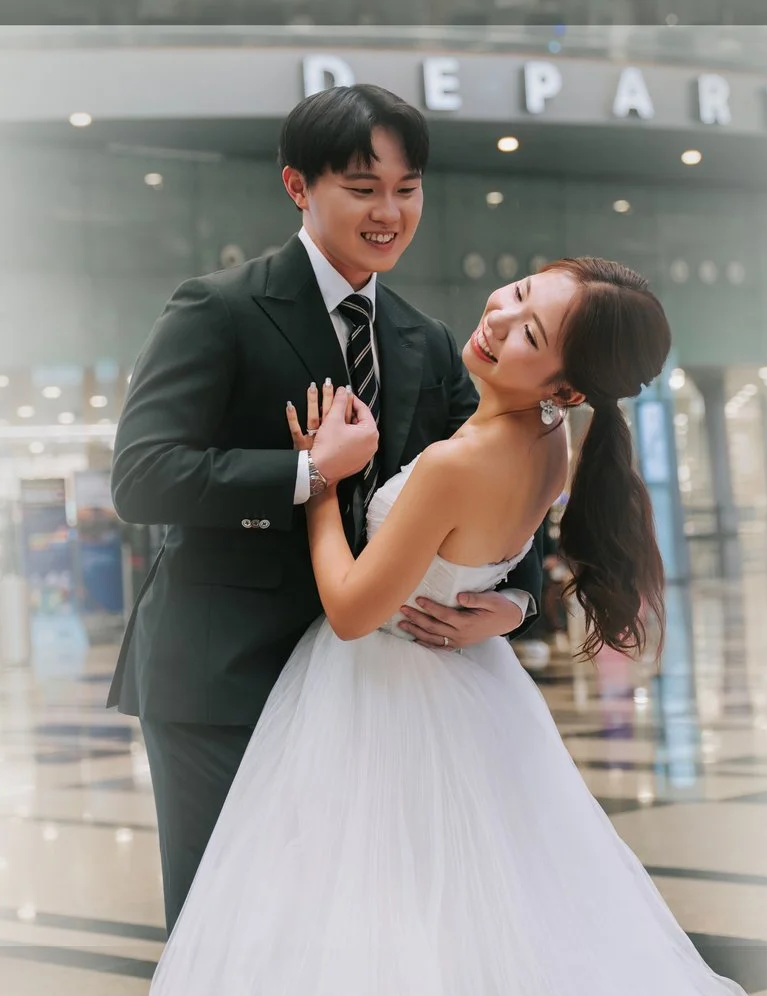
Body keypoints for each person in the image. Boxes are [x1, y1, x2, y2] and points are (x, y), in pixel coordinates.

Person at [148, 257, 742, 996]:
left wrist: (321, 481)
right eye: (519, 293)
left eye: (528, 330)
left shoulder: (458, 463)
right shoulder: (550, 439)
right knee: (470, 907)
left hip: (382, 692)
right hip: (472, 690)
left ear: (566, 387)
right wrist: (512, 603)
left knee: (367, 912)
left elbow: (352, 610)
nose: (497, 318)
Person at [106, 84, 546, 928]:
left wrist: (518, 596)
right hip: (222, 680)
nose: (390, 211)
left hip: (362, 690)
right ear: (298, 187)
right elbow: (142, 475)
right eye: (362, 187)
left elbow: (489, 472)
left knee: (333, 931)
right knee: (225, 929)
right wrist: (305, 470)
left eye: (407, 188)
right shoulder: (218, 309)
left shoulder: (423, 339)